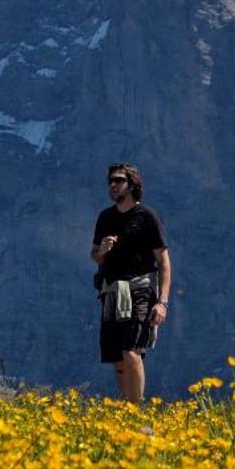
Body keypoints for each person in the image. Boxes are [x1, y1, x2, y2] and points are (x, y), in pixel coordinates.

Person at [91, 162, 170, 403]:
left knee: (132, 351)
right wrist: (102, 251)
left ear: (132, 184)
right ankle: (126, 409)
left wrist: (162, 302)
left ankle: (136, 411)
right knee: (117, 358)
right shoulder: (105, 218)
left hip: (140, 290)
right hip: (112, 292)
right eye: (110, 181)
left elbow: (164, 262)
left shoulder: (146, 217)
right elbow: (94, 255)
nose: (112, 186)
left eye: (118, 180)